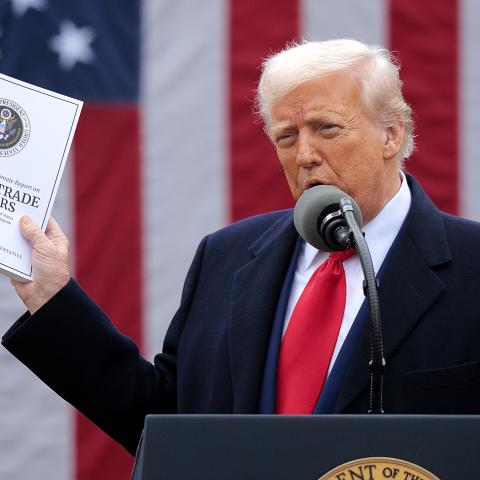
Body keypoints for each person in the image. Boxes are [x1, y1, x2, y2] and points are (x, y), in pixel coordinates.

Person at [3, 39, 480, 456]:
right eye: (287, 137)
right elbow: (166, 425)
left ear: (391, 134)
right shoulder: (226, 257)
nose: (306, 155)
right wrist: (52, 297)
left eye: (327, 128)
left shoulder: (471, 266)